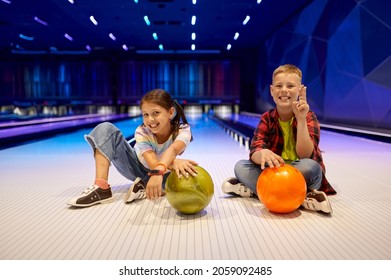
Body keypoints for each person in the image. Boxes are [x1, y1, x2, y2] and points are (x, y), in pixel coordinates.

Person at [222, 64, 336, 214]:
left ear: (300, 90)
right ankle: (306, 198)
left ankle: (257, 191)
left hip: (300, 172)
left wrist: (301, 120)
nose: (284, 90)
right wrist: (262, 153)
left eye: (290, 86)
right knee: (241, 166)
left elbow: (306, 155)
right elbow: (255, 150)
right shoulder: (267, 118)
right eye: (279, 86)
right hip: (275, 172)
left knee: (311, 166)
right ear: (271, 90)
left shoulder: (308, 117)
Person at [67, 89, 198, 207]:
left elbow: (173, 149)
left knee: (189, 171)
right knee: (105, 128)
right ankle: (102, 188)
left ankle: (143, 187)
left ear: (170, 112)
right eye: (145, 114)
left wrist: (167, 167)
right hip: (136, 168)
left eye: (156, 113)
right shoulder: (142, 131)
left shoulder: (183, 130)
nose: (150, 119)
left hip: (165, 177)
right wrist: (173, 163)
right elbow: (151, 160)